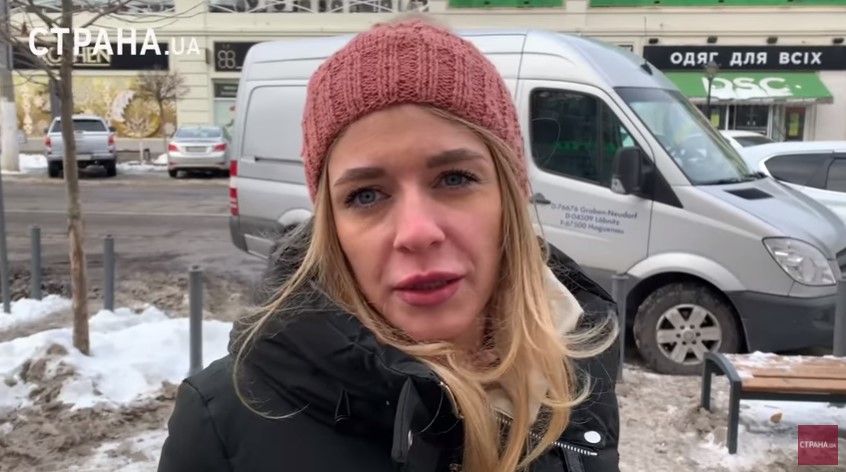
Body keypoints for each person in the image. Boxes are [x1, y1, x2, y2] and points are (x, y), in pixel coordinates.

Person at [157, 15, 621, 472]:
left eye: (454, 178)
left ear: (510, 195)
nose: (416, 232)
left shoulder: (573, 367)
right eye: (366, 195)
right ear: (332, 226)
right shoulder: (221, 424)